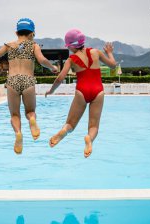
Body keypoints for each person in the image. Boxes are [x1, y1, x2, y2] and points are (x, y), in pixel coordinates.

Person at [0, 18, 58, 154]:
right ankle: (32, 119)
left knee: (15, 114)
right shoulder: (34, 46)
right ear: (32, 33)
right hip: (28, 80)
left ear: (16, 32)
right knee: (30, 111)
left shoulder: (9, 45)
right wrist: (52, 67)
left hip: (12, 80)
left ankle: (18, 133)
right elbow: (42, 60)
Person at [45, 29, 116, 158]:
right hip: (98, 91)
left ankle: (63, 131)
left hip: (82, 91)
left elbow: (60, 78)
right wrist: (110, 53)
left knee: (70, 124)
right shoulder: (96, 52)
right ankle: (89, 139)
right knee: (94, 126)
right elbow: (113, 65)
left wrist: (51, 90)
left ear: (71, 45)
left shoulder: (71, 59)